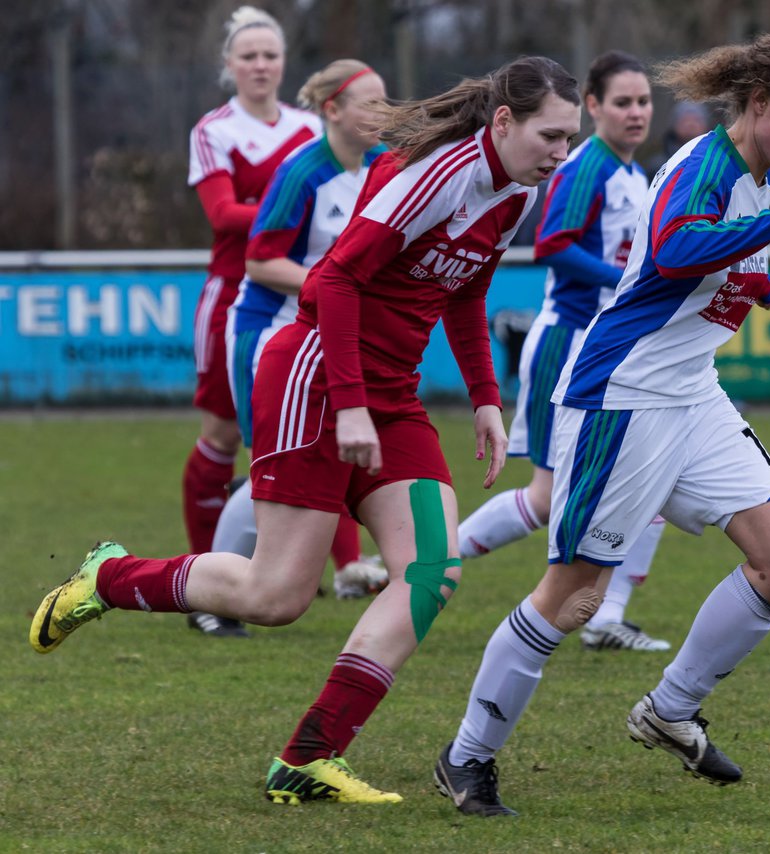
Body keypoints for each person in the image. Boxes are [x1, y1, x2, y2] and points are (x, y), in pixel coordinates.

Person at [30, 55, 583, 806]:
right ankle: (107, 578)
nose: (561, 154)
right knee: (275, 596)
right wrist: (350, 404)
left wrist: (487, 395)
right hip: (314, 377)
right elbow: (333, 281)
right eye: (551, 135)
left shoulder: (516, 193)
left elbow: (467, 290)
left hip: (389, 394)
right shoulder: (440, 175)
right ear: (504, 122)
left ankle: (307, 758)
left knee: (430, 572)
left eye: (570, 140)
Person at [432, 31, 770, 817]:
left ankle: (670, 710)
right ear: (757, 106)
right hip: (629, 394)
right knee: (576, 594)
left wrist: (755, 285)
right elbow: (677, 248)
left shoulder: (755, 173)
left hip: (694, 391)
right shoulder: (706, 166)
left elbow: (701, 268)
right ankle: (467, 756)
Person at [457, 50, 669, 653]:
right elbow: (552, 245)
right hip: (568, 343)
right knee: (549, 500)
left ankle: (607, 617)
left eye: (644, 101)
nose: (636, 113)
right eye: (622, 102)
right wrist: (625, 280)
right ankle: (426, 564)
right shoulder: (586, 167)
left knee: (644, 482)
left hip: (606, 349)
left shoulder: (634, 174)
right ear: (594, 106)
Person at [208, 58, 394, 625]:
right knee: (272, 464)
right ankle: (212, 595)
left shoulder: (386, 165)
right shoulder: (302, 172)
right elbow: (261, 262)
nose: (382, 114)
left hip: (325, 336)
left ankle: (347, 568)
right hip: (269, 334)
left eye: (387, 100)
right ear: (332, 110)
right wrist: (338, 286)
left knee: (327, 455)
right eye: (369, 102)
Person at [183, 6, 321, 635]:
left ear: (284, 63)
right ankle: (201, 578)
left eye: (270, 55)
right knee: (224, 435)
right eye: (249, 56)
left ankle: (312, 566)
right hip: (234, 293)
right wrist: (293, 210)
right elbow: (222, 215)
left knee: (299, 432)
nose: (261, 66)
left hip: (301, 296)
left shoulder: (310, 127)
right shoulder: (214, 128)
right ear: (229, 66)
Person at [643, 99, 712, 176]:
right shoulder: (657, 167)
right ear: (674, 125)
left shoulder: (714, 165)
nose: (691, 124)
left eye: (697, 120)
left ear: (706, 126)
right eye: (685, 120)